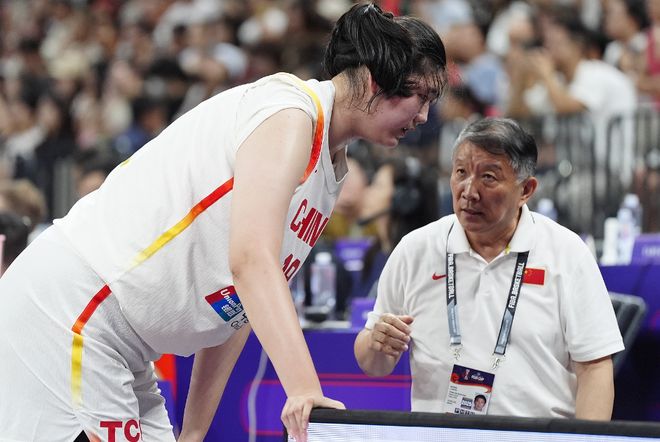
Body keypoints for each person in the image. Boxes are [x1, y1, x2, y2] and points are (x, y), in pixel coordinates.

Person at [0, 3, 448, 442]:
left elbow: (239, 303)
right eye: (419, 96)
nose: (424, 116)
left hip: (127, 345)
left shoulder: (330, 167)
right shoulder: (289, 113)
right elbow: (251, 263)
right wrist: (304, 388)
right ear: (372, 82)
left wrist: (195, 429)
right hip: (74, 309)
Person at [354, 118, 624, 419]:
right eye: (461, 172)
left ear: (526, 189)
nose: (469, 191)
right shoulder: (415, 250)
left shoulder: (566, 253)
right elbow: (374, 364)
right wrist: (376, 343)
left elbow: (595, 369)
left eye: (488, 177)